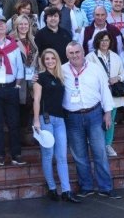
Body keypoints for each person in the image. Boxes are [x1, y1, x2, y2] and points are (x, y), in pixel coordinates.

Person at [62, 42, 120, 199]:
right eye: (71, 53)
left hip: (94, 114)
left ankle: (105, 187)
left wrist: (107, 113)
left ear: (83, 52)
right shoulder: (62, 70)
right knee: (79, 154)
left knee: (100, 152)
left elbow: (105, 91)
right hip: (72, 117)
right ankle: (86, 186)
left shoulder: (95, 68)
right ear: (67, 55)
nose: (75, 55)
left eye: (77, 52)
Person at [33, 49, 81, 203]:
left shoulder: (61, 77)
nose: (50, 61)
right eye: (47, 59)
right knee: (48, 155)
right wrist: (36, 120)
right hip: (45, 119)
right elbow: (36, 100)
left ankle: (66, 191)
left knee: (61, 156)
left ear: (56, 60)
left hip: (60, 120)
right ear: (43, 61)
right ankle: (52, 188)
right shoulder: (40, 77)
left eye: (52, 58)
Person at [0, 14, 26, 166]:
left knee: (14, 122)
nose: (1, 25)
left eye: (3, 23)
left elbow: (20, 67)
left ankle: (16, 154)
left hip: (11, 87)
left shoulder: (13, 45)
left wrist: (17, 86)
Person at [86, 31, 124, 157]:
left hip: (112, 95)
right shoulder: (90, 57)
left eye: (107, 40)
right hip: (96, 96)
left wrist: (117, 78)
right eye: (102, 40)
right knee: (96, 121)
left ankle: (107, 145)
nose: (104, 43)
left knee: (110, 121)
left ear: (110, 42)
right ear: (97, 41)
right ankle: (95, 145)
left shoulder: (115, 56)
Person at [11, 14, 39, 134]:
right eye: (20, 24)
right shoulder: (11, 40)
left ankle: (26, 134)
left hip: (31, 78)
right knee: (19, 107)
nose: (23, 26)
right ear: (16, 26)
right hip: (18, 79)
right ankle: (19, 136)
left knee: (29, 105)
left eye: (26, 24)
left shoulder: (33, 40)